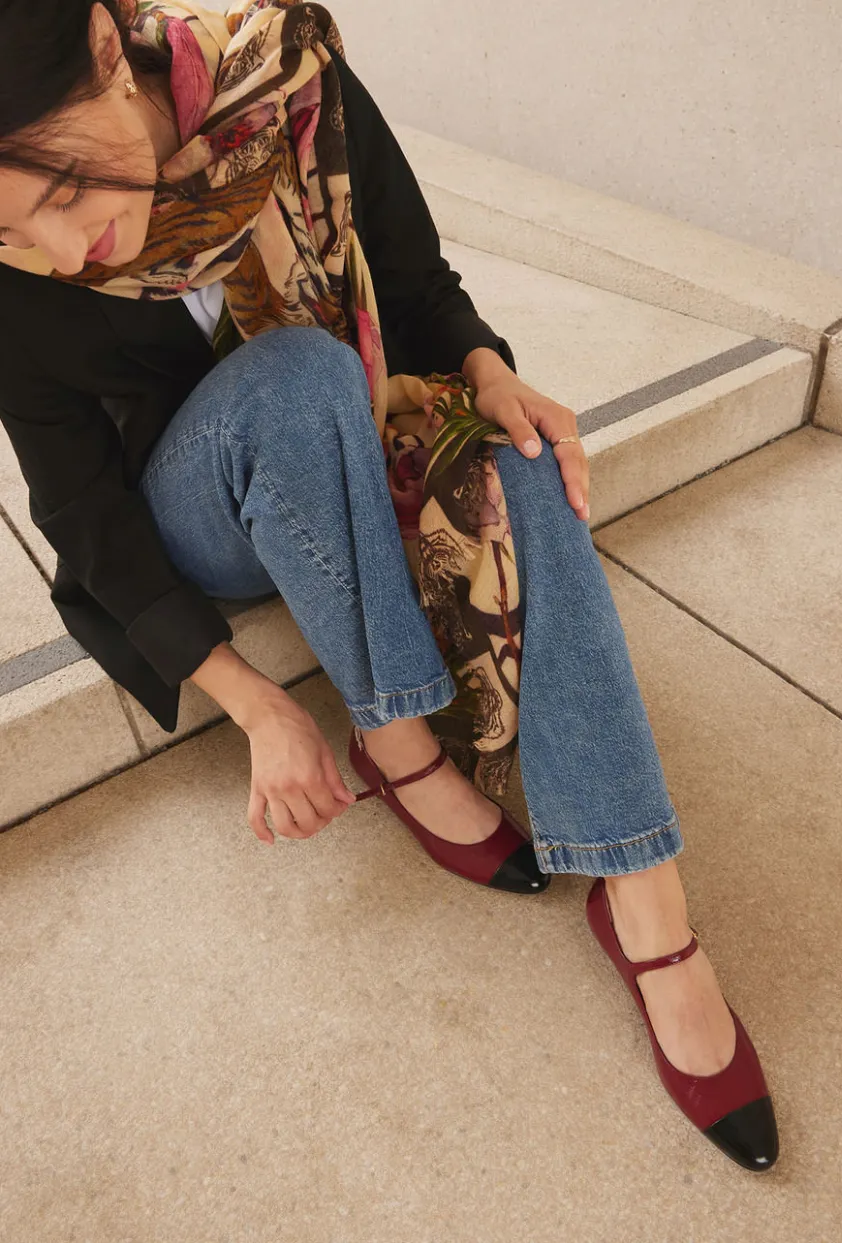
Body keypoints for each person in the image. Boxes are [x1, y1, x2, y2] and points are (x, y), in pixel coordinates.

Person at [0, 0, 779, 1171]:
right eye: (15, 227)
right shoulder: (20, 272)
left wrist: (486, 372)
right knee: (296, 373)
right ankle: (399, 739)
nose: (62, 254)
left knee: (515, 450)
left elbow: (414, 281)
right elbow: (79, 510)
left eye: (63, 194)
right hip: (203, 503)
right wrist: (257, 703)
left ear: (111, 51)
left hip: (358, 419)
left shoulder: (288, 84)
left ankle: (644, 900)